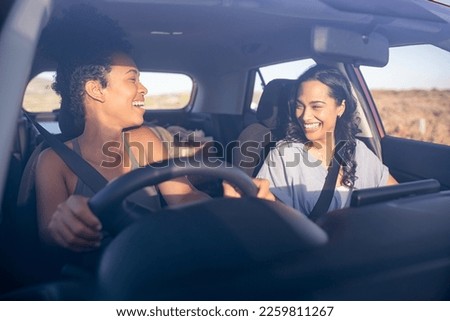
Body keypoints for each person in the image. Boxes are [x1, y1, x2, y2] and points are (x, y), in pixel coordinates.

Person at [35, 6, 211, 253]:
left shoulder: (145, 139)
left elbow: (183, 196)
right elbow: (47, 232)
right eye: (132, 79)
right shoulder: (53, 161)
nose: (144, 89)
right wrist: (63, 223)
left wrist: (224, 210)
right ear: (96, 90)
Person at [226, 64, 397, 216]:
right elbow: (273, 213)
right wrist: (266, 201)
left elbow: (399, 196)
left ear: (341, 108)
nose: (305, 116)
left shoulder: (359, 150)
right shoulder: (285, 154)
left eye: (316, 106)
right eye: (299, 106)